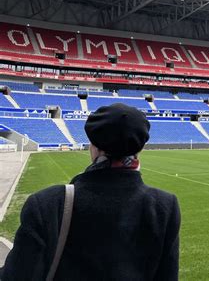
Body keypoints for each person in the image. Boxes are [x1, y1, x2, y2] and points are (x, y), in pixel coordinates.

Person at [1, 103, 180, 280]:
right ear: (139, 148)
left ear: (93, 147)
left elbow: (16, 275)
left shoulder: (48, 204)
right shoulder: (165, 207)